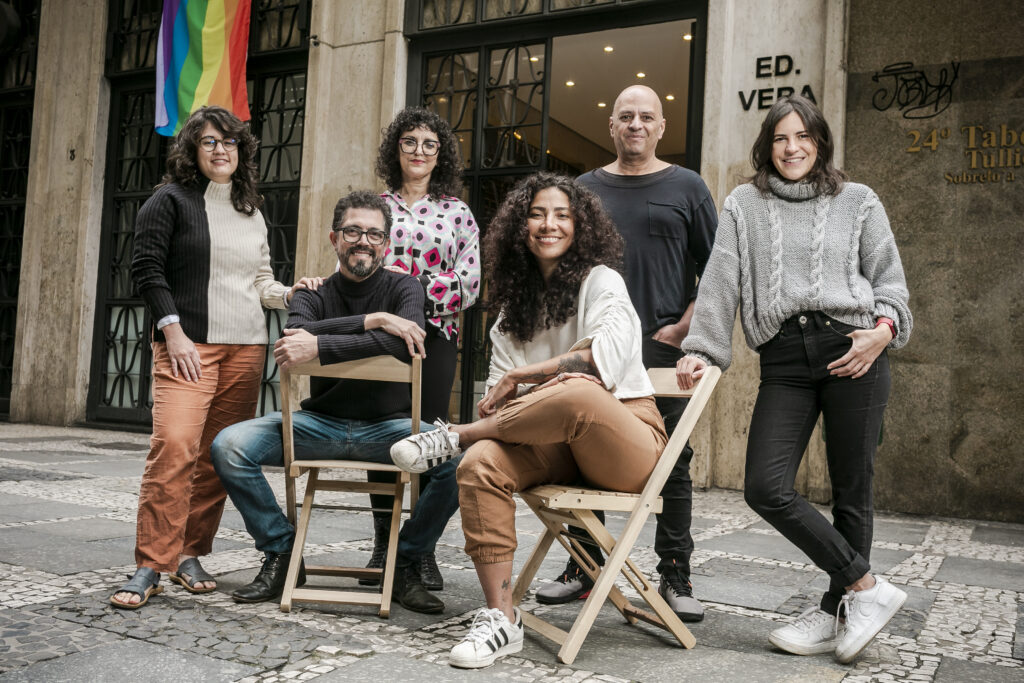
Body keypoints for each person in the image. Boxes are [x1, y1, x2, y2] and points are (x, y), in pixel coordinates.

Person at [388, 173, 668, 668]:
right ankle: (502, 619)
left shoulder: (602, 280)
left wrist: (525, 376)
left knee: (577, 390)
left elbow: (602, 363)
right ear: (520, 225)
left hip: (627, 441)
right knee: (480, 464)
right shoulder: (511, 312)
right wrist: (518, 395)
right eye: (537, 213)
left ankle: (453, 436)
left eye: (561, 214)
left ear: (580, 226)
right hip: (553, 442)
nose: (549, 224)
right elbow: (504, 406)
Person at [676, 95, 912, 663]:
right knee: (765, 484)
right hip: (784, 357)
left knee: (853, 490)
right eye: (781, 138)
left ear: (820, 142)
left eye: (803, 136)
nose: (792, 147)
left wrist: (883, 331)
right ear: (767, 146)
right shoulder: (743, 203)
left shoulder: (858, 201)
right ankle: (866, 589)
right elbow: (721, 280)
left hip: (853, 347)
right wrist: (701, 350)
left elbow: (892, 283)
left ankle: (838, 611)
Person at [209, 191, 460, 614]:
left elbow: (408, 344)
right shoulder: (311, 291)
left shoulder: (406, 286)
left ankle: (405, 559)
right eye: (352, 231)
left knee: (460, 455)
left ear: (387, 242)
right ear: (334, 238)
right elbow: (293, 342)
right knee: (228, 447)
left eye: (374, 234)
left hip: (391, 431)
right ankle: (283, 551)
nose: (363, 241)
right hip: (318, 426)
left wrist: (322, 343)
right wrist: (374, 321)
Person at [112, 106, 321, 609]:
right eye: (209, 142)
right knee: (175, 447)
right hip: (188, 346)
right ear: (193, 149)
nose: (220, 150)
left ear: (241, 151)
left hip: (247, 350)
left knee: (214, 457)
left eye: (229, 142)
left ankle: (188, 553)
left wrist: (290, 292)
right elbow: (146, 269)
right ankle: (149, 565)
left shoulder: (251, 210)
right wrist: (174, 332)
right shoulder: (169, 200)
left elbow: (259, 280)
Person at [537, 84, 716, 622]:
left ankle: (675, 575)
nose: (636, 125)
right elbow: (561, 262)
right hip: (595, 350)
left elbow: (719, 271)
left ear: (661, 127)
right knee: (583, 450)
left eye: (646, 117)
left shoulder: (688, 186)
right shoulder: (584, 189)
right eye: (625, 117)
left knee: (672, 459)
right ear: (611, 125)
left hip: (662, 352)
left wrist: (683, 329)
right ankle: (582, 567)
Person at [363, 107, 481, 591]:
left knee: (433, 441)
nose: (418, 151)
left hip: (436, 338)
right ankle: (381, 544)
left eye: (429, 144)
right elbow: (360, 264)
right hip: (381, 338)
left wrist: (409, 294)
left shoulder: (457, 212)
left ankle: (420, 548)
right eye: (409, 141)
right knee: (383, 437)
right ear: (397, 149)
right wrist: (390, 300)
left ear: (441, 154)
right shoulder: (375, 206)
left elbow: (469, 279)